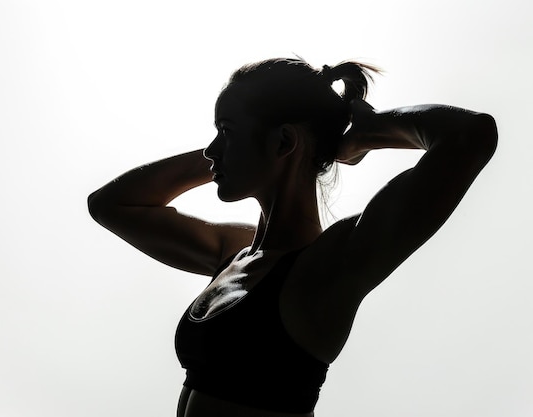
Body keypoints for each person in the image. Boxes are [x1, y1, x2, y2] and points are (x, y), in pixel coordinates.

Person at [87, 57, 497, 417]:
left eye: (225, 132)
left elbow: (469, 135)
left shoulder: (330, 267)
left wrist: (368, 131)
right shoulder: (233, 254)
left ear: (283, 140)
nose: (211, 150)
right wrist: (234, 149)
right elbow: (111, 204)